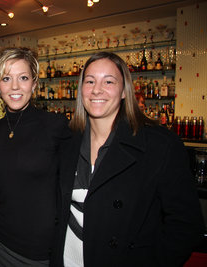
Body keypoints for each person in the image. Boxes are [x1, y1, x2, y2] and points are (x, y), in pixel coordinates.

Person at [51, 52, 204, 267]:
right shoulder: (67, 141)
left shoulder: (159, 145)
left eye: (109, 81)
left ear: (124, 91)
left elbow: (186, 225)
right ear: (81, 90)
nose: (97, 89)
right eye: (90, 81)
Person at [0, 47, 72, 266]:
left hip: (41, 250)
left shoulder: (55, 125)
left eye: (23, 78)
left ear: (34, 84)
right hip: (2, 240)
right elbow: (1, 175)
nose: (15, 86)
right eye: (6, 78)